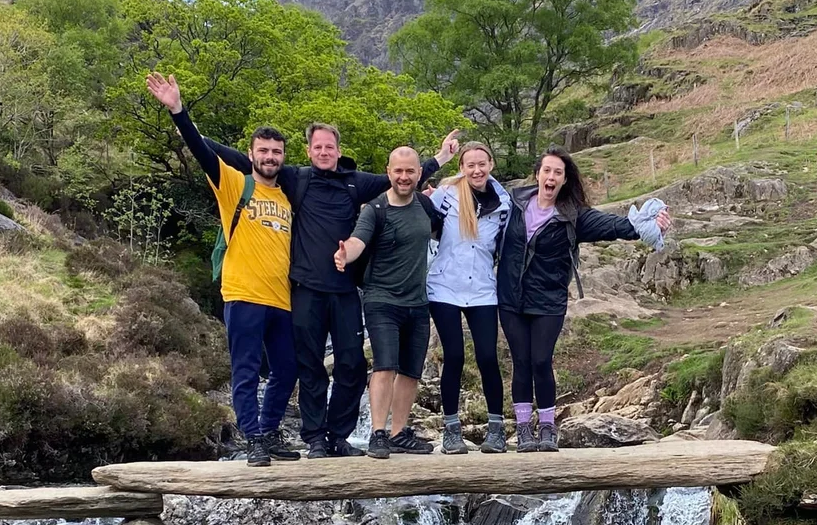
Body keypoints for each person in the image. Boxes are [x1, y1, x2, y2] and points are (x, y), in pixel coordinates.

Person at [206, 122, 459, 459]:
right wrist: (195, 131)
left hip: (345, 292)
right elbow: (245, 161)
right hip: (305, 290)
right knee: (309, 367)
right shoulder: (297, 178)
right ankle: (314, 439)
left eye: (329, 147)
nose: (324, 153)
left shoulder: (355, 183)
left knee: (351, 366)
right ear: (309, 151)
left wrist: (440, 158)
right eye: (318, 147)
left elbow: (400, 178)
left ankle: (339, 436)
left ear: (338, 151)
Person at [146, 72, 300, 468]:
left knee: (286, 368)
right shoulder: (233, 183)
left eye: (276, 152)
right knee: (246, 370)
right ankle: (252, 439)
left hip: (281, 298)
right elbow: (199, 149)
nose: (270, 157)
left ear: (283, 156)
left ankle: (268, 430)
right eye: (263, 151)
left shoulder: (287, 195)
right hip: (243, 293)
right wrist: (178, 110)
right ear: (251, 155)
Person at [497, 145, 671, 453]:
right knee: (521, 362)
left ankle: (548, 428)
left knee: (540, 361)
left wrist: (646, 225)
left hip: (548, 300)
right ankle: (524, 429)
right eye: (547, 170)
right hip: (511, 298)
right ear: (537, 174)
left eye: (558, 173)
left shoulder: (573, 216)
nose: (551, 177)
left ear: (565, 180)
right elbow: (477, 211)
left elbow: (613, 226)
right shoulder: (512, 203)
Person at [333, 147, 441, 458]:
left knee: (411, 371)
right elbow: (358, 240)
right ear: (388, 171)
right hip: (382, 300)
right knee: (385, 366)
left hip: (418, 302)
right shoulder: (375, 209)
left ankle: (399, 433)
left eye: (410, 171)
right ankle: (377, 433)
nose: (404, 177)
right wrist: (345, 254)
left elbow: (441, 230)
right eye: (398, 171)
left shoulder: (424, 204)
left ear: (419, 173)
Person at [427, 142, 511, 455]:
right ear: (462, 168)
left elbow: (508, 244)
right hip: (444, 287)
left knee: (488, 358)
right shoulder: (446, 196)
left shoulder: (503, 203)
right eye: (470, 165)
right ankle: (451, 431)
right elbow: (421, 220)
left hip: (483, 290)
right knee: (455, 357)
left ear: (491, 164)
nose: (476, 170)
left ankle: (496, 429)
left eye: (481, 164)